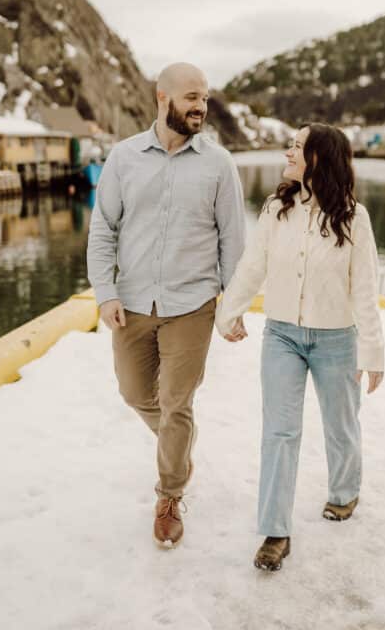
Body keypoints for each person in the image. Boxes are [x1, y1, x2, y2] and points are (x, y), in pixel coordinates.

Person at [87, 62, 245, 548]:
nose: (200, 106)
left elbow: (233, 242)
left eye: (205, 98)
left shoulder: (219, 164)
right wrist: (105, 292)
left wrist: (230, 306)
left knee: (177, 402)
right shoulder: (123, 157)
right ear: (163, 98)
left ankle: (170, 494)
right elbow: (103, 230)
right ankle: (180, 444)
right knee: (136, 393)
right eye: (191, 96)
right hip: (131, 303)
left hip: (192, 304)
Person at [215, 123, 385, 572]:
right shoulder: (276, 209)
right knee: (279, 432)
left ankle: (345, 492)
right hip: (282, 336)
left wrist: (373, 351)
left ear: (318, 159)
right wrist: (228, 311)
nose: (287, 152)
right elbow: (254, 265)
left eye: (296, 146)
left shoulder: (354, 217)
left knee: (341, 425)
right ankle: (275, 532)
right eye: (289, 144)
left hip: (336, 339)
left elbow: (365, 289)